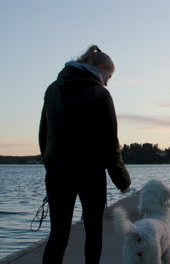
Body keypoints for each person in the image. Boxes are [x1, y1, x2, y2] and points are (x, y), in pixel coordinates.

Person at [39, 45, 131, 263]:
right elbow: (110, 143)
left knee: (58, 234)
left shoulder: (53, 89)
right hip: (90, 173)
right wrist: (122, 180)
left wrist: (50, 164)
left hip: (57, 173)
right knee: (93, 231)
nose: (108, 81)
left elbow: (44, 134)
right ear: (100, 68)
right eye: (109, 75)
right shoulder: (101, 94)